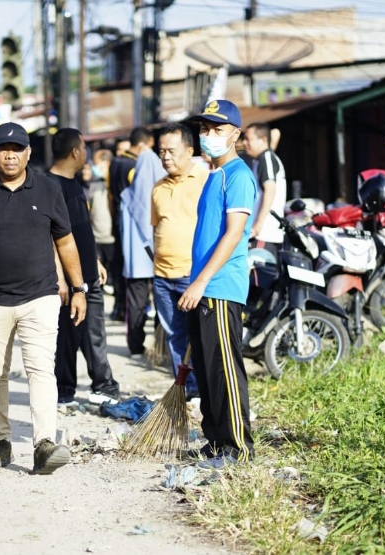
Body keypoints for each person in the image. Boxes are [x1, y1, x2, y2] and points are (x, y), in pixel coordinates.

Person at [0, 122, 88, 475]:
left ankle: (43, 444)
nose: (10, 155)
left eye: (17, 148)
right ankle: (0, 442)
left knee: (41, 368)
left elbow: (65, 241)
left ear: (28, 153)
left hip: (40, 296)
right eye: (3, 148)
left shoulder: (49, 189)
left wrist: (79, 287)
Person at [179, 99, 257, 469]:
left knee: (225, 369)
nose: (208, 136)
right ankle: (215, 444)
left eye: (217, 130)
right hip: (203, 287)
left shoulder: (239, 175)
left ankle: (238, 447)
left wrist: (203, 281)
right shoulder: (213, 175)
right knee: (208, 371)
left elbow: (234, 234)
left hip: (221, 287)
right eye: (204, 130)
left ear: (236, 135)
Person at [49, 128, 121, 407]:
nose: (86, 155)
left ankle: (103, 385)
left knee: (94, 332)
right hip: (68, 280)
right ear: (75, 153)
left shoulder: (75, 184)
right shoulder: (50, 186)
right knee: (68, 336)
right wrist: (61, 278)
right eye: (84, 149)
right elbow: (51, 238)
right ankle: (65, 390)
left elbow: (80, 231)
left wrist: (96, 261)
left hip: (89, 273)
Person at [152, 123, 207, 397]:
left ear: (189, 151)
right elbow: (157, 227)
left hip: (191, 275)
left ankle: (202, 390)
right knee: (175, 335)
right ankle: (184, 390)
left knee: (198, 336)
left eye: (171, 151)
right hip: (162, 276)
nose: (165, 157)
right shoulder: (158, 188)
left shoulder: (204, 180)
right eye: (161, 152)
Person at [121, 127, 165, 359]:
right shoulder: (163, 195)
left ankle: (136, 346)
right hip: (159, 256)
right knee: (161, 303)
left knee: (137, 303)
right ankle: (161, 347)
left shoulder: (126, 197)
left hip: (136, 260)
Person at [241, 123, 287, 256]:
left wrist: (258, 225)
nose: (244, 143)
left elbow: (270, 190)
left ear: (263, 140)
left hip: (265, 234)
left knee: (257, 276)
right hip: (260, 234)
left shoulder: (266, 158)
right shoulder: (259, 160)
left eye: (248, 139)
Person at [107, 140, 138, 321]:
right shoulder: (133, 165)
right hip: (129, 222)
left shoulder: (113, 165)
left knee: (118, 266)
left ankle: (119, 306)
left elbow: (111, 195)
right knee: (127, 267)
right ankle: (124, 307)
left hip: (118, 220)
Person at [88, 149, 117, 293]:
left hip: (112, 238)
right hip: (97, 237)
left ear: (106, 163)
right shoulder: (94, 185)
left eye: (97, 163)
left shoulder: (115, 183)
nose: (94, 167)